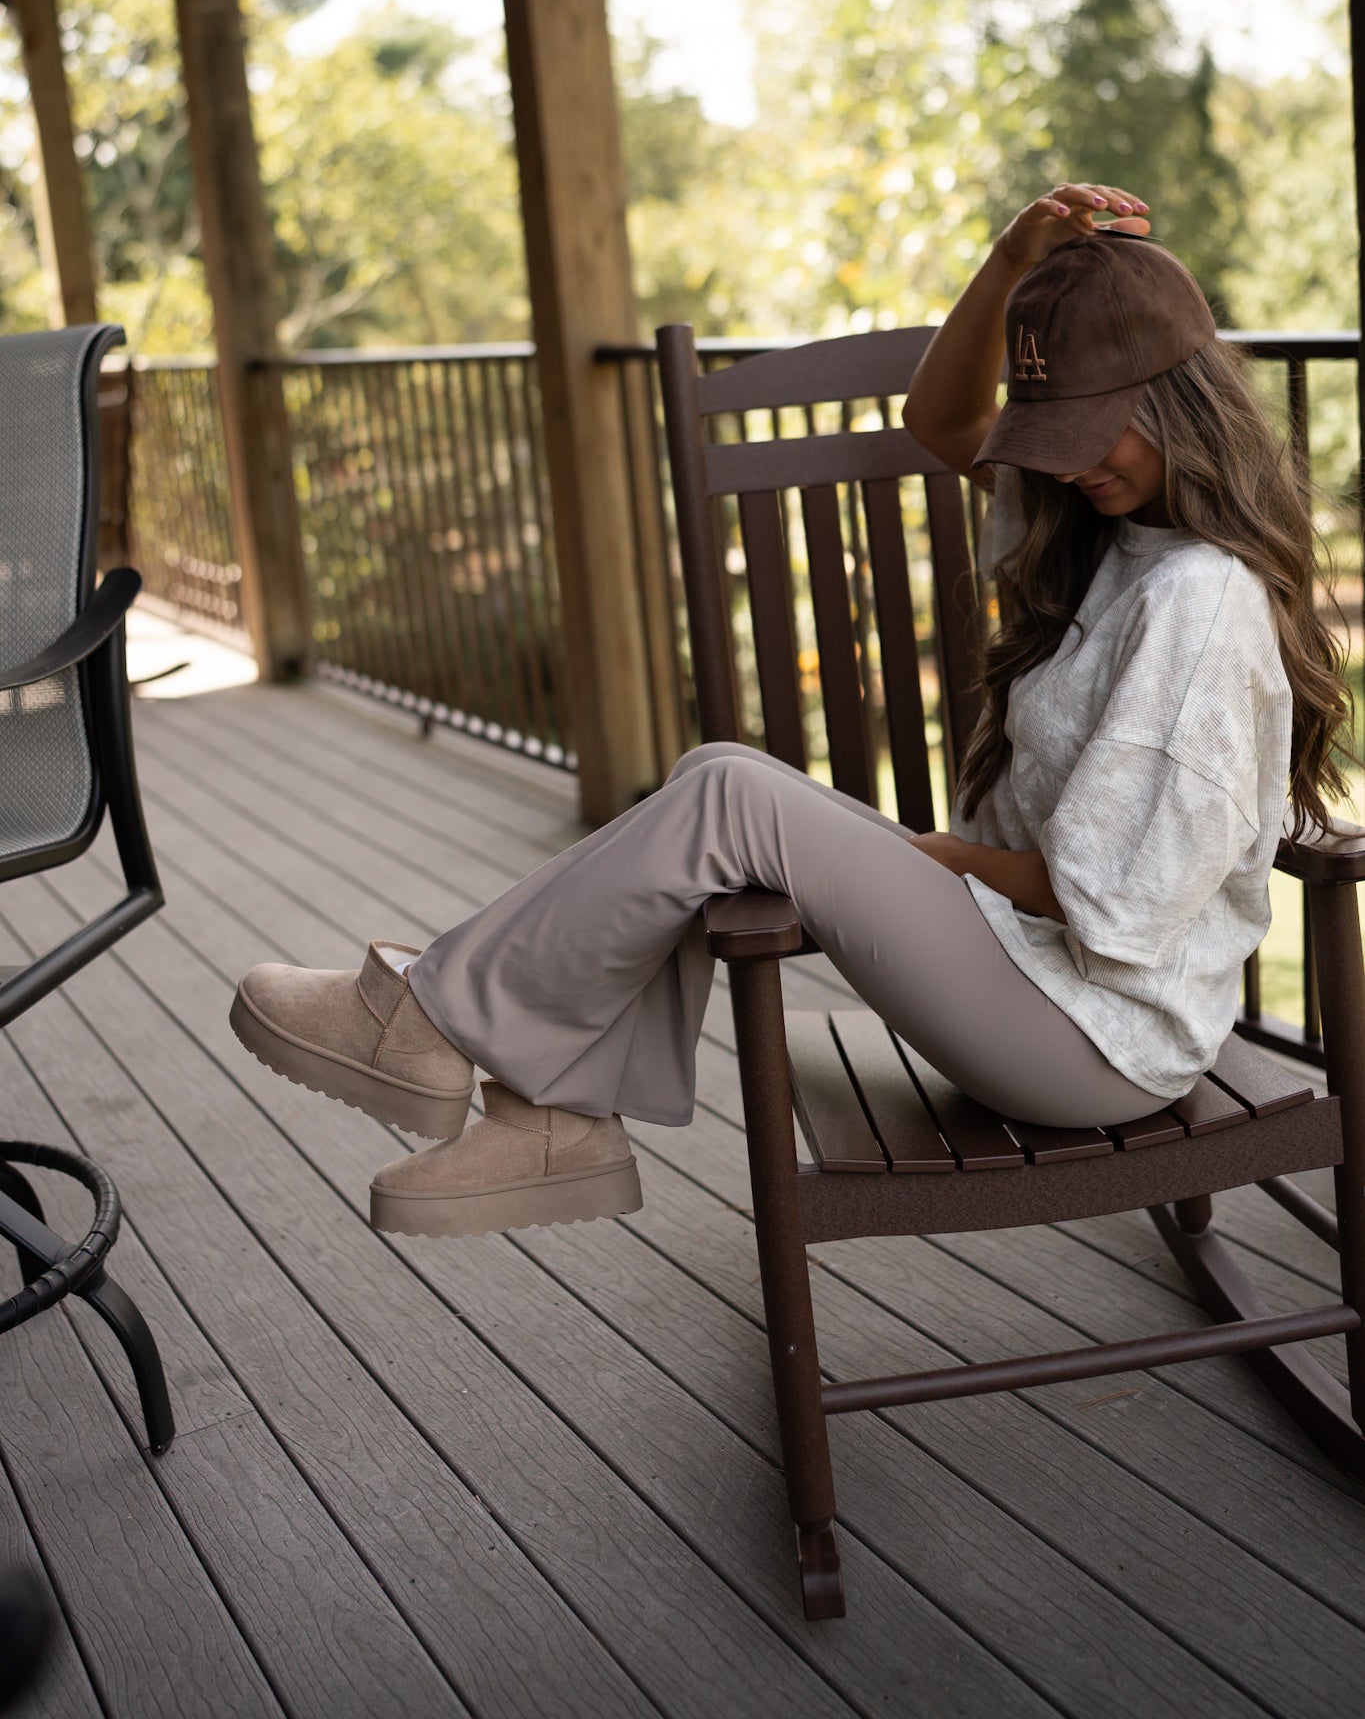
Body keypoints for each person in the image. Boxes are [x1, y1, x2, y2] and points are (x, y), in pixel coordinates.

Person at [229, 180, 1356, 1241]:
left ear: (1177, 398)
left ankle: (428, 1023)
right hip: (1024, 975)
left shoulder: (1200, 598)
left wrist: (923, 860)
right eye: (1052, 435)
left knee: (729, 791)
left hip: (1093, 1035)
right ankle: (551, 1115)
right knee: (716, 768)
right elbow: (940, 416)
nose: (1069, 467)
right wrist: (1014, 256)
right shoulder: (1114, 524)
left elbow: (1104, 897)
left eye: (1093, 433)